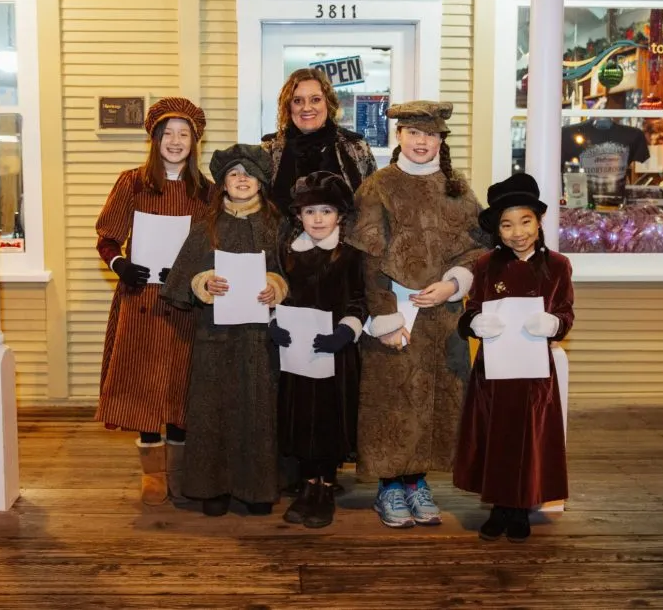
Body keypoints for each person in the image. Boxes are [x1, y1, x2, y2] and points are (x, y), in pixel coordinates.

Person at [347, 101, 488, 529]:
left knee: (435, 397)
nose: (421, 141)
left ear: (441, 140)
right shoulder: (378, 187)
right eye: (413, 133)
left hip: (440, 314)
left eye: (430, 135)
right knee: (392, 400)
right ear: (399, 137)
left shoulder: (457, 189)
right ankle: (389, 485)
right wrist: (384, 317)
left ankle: (417, 482)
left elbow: (478, 247)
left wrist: (455, 282)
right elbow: (366, 257)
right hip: (394, 312)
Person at [94, 97, 211, 506]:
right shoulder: (132, 182)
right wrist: (120, 263)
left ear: (195, 141)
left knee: (181, 380)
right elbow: (107, 237)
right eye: (168, 133)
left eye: (184, 134)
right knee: (144, 380)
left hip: (186, 303)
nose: (175, 141)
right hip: (140, 297)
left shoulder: (206, 192)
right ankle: (153, 475)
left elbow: (213, 246)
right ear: (154, 138)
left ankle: (179, 470)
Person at [160, 144, 288, 517]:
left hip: (260, 339)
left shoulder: (277, 226)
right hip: (214, 337)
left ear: (261, 182)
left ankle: (257, 488)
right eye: (234, 174)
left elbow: (297, 273)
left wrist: (276, 286)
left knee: (258, 411)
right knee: (212, 410)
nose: (242, 180)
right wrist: (204, 282)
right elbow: (179, 280)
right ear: (223, 183)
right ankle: (211, 487)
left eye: (249, 174)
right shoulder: (205, 226)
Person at [454, 172, 574, 543]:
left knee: (529, 437)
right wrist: (475, 322)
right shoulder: (486, 265)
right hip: (494, 369)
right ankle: (498, 505)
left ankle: (522, 505)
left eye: (525, 221)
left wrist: (553, 323)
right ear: (498, 229)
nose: (516, 231)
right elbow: (470, 311)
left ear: (538, 222)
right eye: (507, 224)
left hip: (535, 373)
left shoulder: (557, 266)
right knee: (497, 436)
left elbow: (567, 314)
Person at [269, 172, 367, 529]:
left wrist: (346, 330)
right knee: (302, 417)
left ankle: (326, 485)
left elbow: (360, 300)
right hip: (296, 354)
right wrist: (272, 323)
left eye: (326, 211)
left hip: (335, 352)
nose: (318, 219)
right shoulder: (288, 256)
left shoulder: (350, 256)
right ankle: (307, 484)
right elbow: (277, 295)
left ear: (339, 216)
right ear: (299, 216)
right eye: (310, 212)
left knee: (328, 418)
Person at [262, 67, 377, 215]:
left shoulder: (356, 147)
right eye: (298, 101)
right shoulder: (269, 150)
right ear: (288, 107)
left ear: (327, 103)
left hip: (344, 237)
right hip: (282, 238)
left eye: (315, 99)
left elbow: (372, 207)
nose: (307, 108)